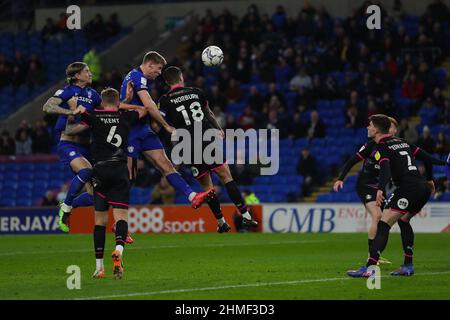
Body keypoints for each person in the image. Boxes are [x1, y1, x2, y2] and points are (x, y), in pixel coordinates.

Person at [346, 114, 450, 278]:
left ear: (378, 130)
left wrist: (381, 188)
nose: (368, 127)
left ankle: (370, 268)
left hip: (408, 189)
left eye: (370, 125)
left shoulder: (382, 146)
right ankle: (408, 265)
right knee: (403, 220)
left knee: (383, 225)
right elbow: (427, 159)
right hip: (422, 188)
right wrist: (433, 176)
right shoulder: (403, 142)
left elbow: (385, 168)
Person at [158, 66, 258, 233]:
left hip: (187, 145)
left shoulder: (165, 100)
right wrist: (219, 128)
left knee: (207, 187)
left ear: (167, 82)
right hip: (206, 139)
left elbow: (160, 120)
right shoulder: (196, 92)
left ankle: (221, 223)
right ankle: (246, 216)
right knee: (226, 176)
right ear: (181, 77)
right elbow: (208, 113)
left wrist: (169, 129)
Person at [64, 88, 147, 279]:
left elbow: (77, 112)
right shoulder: (126, 117)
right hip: (119, 170)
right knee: (121, 219)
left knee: (100, 222)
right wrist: (126, 103)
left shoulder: (94, 115)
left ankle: (99, 267)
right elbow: (144, 110)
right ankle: (118, 250)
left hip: (99, 170)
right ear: (117, 103)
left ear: (102, 102)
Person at [119, 51, 214, 209]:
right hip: (131, 133)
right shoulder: (137, 77)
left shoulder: (140, 78)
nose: (159, 73)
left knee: (165, 164)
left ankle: (193, 196)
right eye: (158, 68)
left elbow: (141, 106)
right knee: (129, 178)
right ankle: (117, 220)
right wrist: (166, 126)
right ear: (149, 64)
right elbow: (148, 105)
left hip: (144, 130)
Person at [42, 62, 100, 233]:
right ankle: (67, 208)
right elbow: (47, 107)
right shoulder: (67, 91)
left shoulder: (94, 95)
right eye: (86, 71)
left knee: (95, 197)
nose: (90, 74)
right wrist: (71, 112)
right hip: (68, 143)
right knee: (85, 171)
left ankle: (66, 206)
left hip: (87, 147)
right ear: (76, 76)